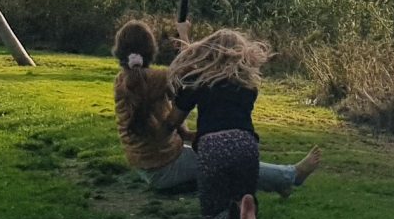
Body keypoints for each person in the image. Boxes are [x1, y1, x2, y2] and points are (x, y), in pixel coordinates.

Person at [165, 24, 300, 219]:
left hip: (213, 148)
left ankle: (238, 210)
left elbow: (173, 120)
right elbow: (225, 113)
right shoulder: (247, 86)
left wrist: (171, 124)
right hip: (246, 146)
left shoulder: (198, 81)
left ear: (207, 53)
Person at [112, 20, 317, 197]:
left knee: (223, 157)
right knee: (228, 164)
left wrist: (186, 134)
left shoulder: (122, 81)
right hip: (164, 167)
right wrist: (184, 34)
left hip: (148, 165)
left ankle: (279, 182)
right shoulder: (155, 79)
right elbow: (190, 69)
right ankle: (289, 176)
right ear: (150, 49)